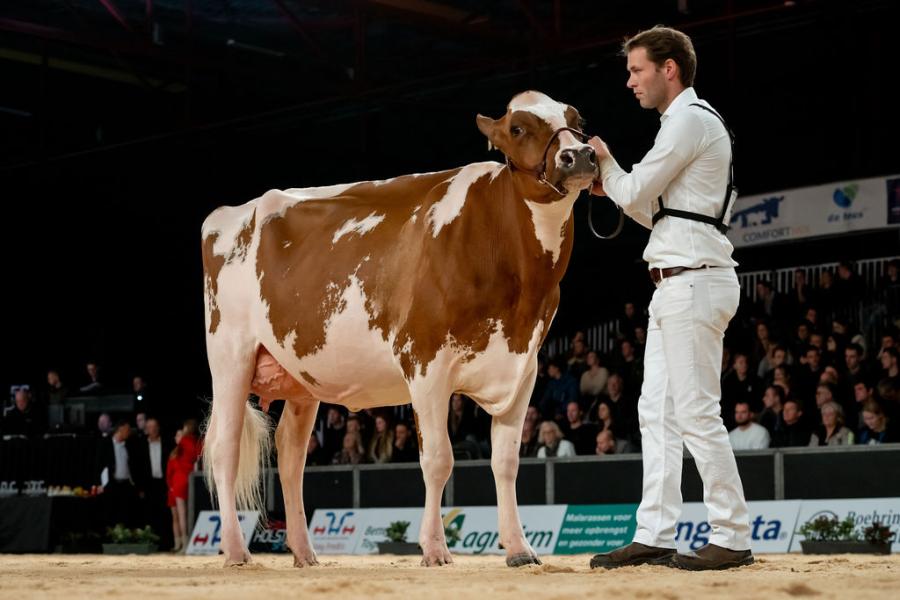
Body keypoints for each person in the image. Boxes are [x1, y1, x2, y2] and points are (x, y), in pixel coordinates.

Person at [587, 26, 752, 571]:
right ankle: (655, 531)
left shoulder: (688, 120)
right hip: (675, 280)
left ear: (670, 69)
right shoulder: (682, 124)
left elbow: (634, 192)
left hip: (694, 280)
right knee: (655, 413)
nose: (630, 81)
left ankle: (731, 534)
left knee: (697, 413)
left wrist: (607, 165)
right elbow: (649, 212)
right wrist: (613, 185)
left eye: (637, 70)